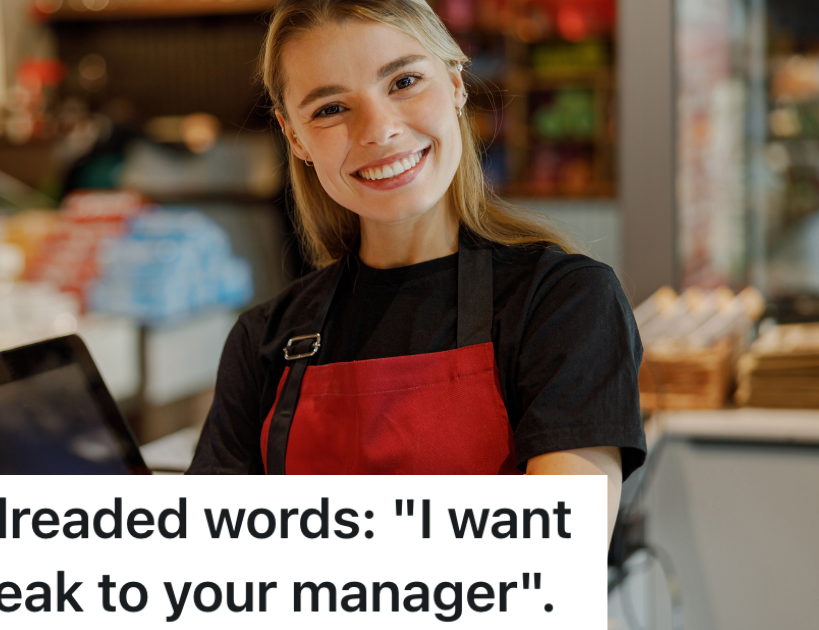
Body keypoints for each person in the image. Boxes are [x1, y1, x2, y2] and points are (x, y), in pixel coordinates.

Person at [186, 0, 646, 543]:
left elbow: (548, 565)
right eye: (331, 109)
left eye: (404, 81)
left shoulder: (564, 303)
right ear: (296, 139)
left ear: (455, 84)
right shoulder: (265, 339)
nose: (379, 130)